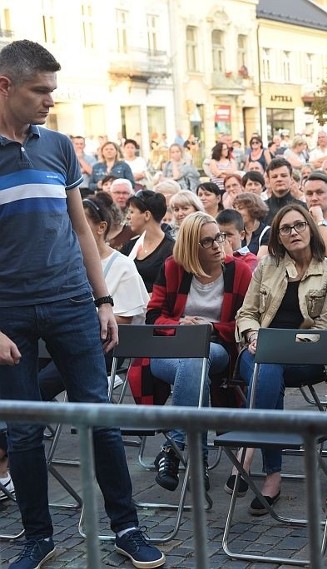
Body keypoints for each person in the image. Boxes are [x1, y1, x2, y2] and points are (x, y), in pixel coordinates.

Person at [0, 39, 165, 568]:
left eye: (53, 89)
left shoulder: (58, 147)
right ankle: (36, 538)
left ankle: (127, 527)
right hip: (9, 313)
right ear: (5, 86)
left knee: (100, 419)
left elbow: (82, 229)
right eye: (40, 90)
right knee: (23, 432)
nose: (51, 99)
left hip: (73, 301)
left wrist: (103, 300)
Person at [231, 204, 327, 513]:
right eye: (285, 228)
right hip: (258, 352)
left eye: (299, 225)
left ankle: (248, 451)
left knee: (270, 364)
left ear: (310, 227)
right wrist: (253, 335)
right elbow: (247, 314)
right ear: (278, 236)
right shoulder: (267, 266)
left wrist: (282, 344)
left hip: (306, 356)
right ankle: (272, 475)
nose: (293, 232)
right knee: (267, 366)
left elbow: (324, 328)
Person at [132, 212, 251, 493]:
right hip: (170, 349)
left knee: (198, 358)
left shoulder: (239, 271)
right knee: (195, 367)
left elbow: (243, 322)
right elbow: (153, 316)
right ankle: (198, 464)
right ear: (190, 246)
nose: (217, 245)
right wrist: (179, 325)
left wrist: (209, 328)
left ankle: (173, 448)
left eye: (219, 237)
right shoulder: (173, 268)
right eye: (207, 241)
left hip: (217, 348)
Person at [39, 192, 150, 402]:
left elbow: (125, 320)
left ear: (101, 227)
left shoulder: (122, 265)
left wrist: (79, 317)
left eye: (79, 224)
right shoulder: (63, 262)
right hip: (59, 339)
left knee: (41, 386)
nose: (71, 231)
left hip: (103, 344)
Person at [120, 190, 174, 293]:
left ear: (147, 215)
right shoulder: (129, 247)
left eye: (132, 212)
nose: (128, 217)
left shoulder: (172, 250)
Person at [232, 192, 271, 256]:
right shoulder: (237, 233)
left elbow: (259, 261)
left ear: (253, 209)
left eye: (240, 208)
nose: (236, 212)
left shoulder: (267, 232)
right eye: (235, 208)